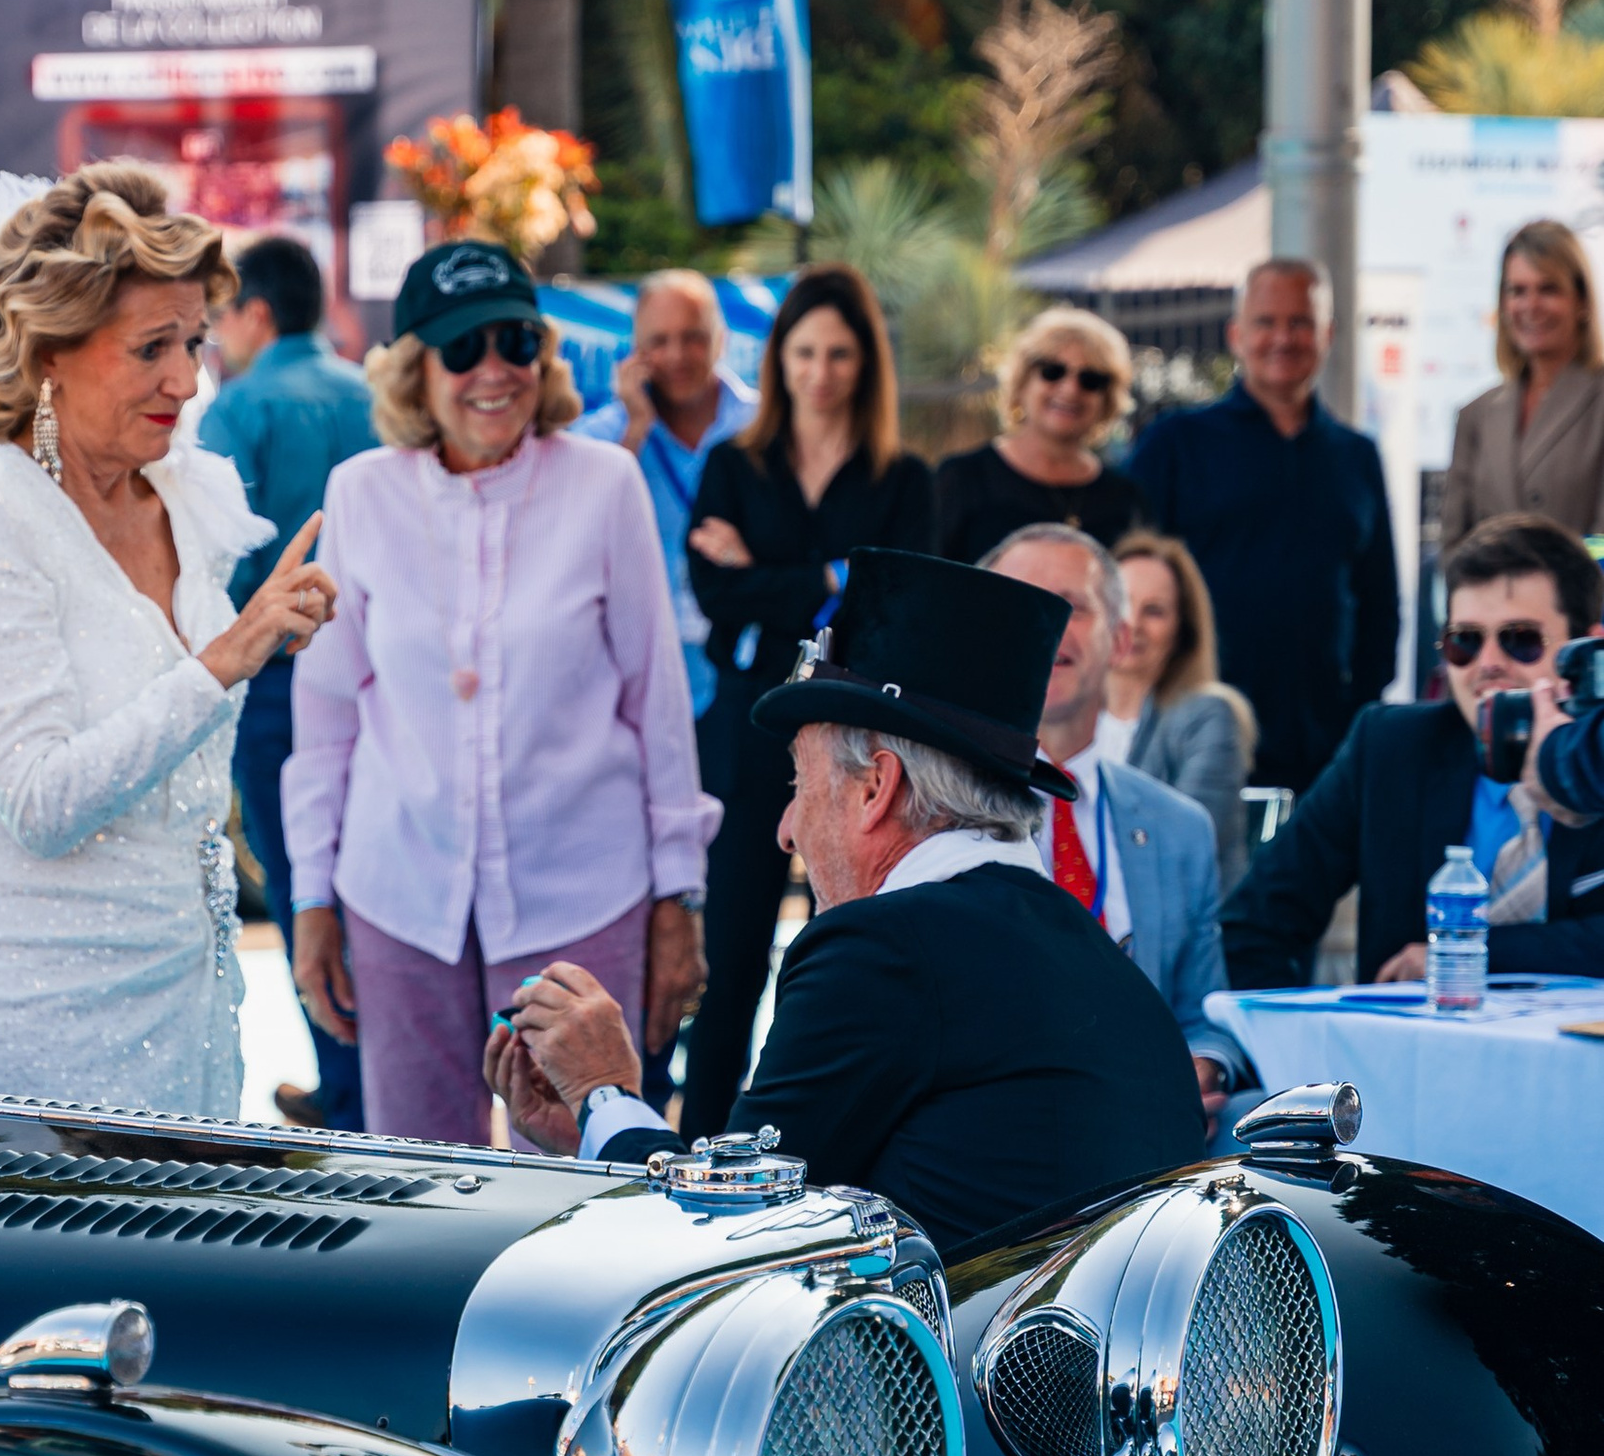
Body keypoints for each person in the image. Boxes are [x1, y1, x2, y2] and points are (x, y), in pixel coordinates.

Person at [487, 549, 1208, 1262]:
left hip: (952, 1341)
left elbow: (720, 1234)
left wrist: (604, 1093)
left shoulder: (888, 946)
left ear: (875, 789)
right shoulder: (1105, 966)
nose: (786, 830)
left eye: (800, 785)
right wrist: (597, 1127)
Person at [0, 163, 335, 1123]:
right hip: (31, 1004)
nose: (188, 379)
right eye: (151, 349)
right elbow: (42, 802)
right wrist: (228, 657)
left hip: (188, 989)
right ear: (50, 351)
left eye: (195, 341)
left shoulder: (181, 494)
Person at [283, 235, 712, 1147]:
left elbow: (658, 704)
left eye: (514, 342)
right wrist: (312, 899)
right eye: (462, 347)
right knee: (422, 1178)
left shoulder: (606, 484)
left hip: (582, 889)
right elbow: (326, 717)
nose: (493, 371)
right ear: (414, 369)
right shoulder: (360, 494)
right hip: (399, 895)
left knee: (580, 1172)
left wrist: (681, 899)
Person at [676, 262, 934, 1144]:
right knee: (732, 961)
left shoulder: (903, 479)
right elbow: (716, 596)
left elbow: (899, 604)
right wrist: (829, 577)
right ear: (779, 358)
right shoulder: (734, 465)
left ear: (867, 364)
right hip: (751, 738)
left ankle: (829, 1151)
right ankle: (700, 1149)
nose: (820, 372)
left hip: (866, 753)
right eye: (805, 353)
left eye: (840, 354)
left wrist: (767, 574)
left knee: (846, 962)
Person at [1224, 510, 1604, 988]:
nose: (1487, 663)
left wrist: (1464, 954)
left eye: (1521, 640)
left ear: (1589, 650)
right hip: (1404, 1036)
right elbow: (1257, 920)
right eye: (1465, 642)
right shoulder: (1389, 748)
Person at [193, 231, 376, 1127]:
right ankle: (376, 1075)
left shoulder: (239, 407)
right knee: (374, 873)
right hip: (379, 678)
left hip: (275, 680)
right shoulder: (375, 394)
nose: (214, 336)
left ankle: (345, 1085)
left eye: (220, 316)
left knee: (304, 876)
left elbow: (206, 562)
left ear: (256, 313)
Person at [984, 524, 1243, 1119]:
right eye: (1022, 601)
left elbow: (1207, 1017)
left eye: (1071, 606)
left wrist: (1201, 1067)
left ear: (1120, 640)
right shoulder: (929, 814)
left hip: (1152, 1130)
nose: (1046, 624)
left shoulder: (1180, 828)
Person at [1126, 256, 1396, 794]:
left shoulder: (1356, 457)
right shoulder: (1175, 445)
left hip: (1323, 748)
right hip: (1196, 737)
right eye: (1266, 322)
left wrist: (1358, 714)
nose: (1283, 338)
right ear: (1236, 335)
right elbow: (1129, 583)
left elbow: (1379, 602)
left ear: (1328, 334)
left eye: (1300, 322)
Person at [576, 268, 755, 730]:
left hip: (750, 658)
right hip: (639, 670)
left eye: (693, 337)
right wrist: (636, 430)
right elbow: (575, 529)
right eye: (659, 341)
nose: (676, 355)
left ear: (721, 339)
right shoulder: (602, 436)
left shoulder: (762, 424)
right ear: (636, 350)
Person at [1103, 526, 1257, 886]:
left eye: (1154, 611)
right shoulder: (1059, 713)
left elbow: (1185, 846)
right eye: (1122, 603)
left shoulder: (1209, 716)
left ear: (1183, 630)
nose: (1133, 623)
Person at [1441, 218, 1604, 554]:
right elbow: (1455, 548)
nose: (1531, 306)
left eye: (1548, 289)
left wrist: (1550, 582)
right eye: (1517, 291)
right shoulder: (1476, 415)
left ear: (1581, 301)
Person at [934, 309, 1141, 564]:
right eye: (1052, 371)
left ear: (1107, 399)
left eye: (1090, 380)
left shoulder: (1126, 499)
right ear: (1022, 382)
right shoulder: (961, 479)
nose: (1070, 389)